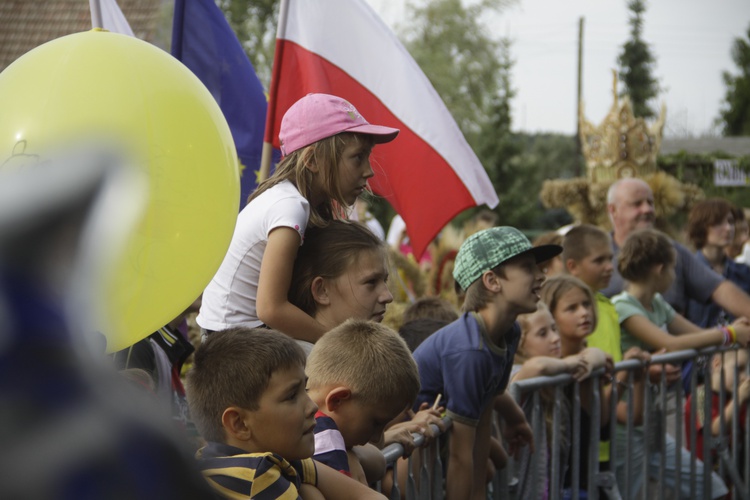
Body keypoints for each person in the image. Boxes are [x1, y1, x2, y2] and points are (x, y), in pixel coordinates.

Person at [197, 93, 399, 343]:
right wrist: (336, 345)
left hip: (247, 337)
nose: (368, 170)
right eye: (358, 157)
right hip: (235, 346)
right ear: (313, 160)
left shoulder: (294, 202)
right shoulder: (289, 207)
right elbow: (271, 309)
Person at [412, 226, 561, 500]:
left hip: (438, 447)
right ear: (492, 281)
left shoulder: (510, 331)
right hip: (413, 454)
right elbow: (460, 456)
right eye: (528, 268)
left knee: (497, 463)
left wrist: (478, 493)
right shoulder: (470, 349)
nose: (542, 275)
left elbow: (484, 414)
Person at [186, 326, 387, 499]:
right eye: (291, 396)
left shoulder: (212, 459)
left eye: (304, 390)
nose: (312, 407)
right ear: (239, 423)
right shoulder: (256, 478)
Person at [611, 228, 738, 499]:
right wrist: (732, 334)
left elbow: (695, 335)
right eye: (673, 268)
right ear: (660, 269)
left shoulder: (657, 303)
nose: (674, 276)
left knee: (709, 487)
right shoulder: (623, 307)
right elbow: (675, 344)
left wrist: (731, 331)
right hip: (626, 426)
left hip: (651, 422)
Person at [562, 225, 651, 481]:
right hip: (576, 443)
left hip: (604, 436)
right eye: (599, 260)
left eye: (610, 257)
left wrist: (632, 374)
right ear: (572, 265)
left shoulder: (608, 307)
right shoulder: (570, 316)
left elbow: (610, 388)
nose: (609, 266)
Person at [601, 178, 750, 321]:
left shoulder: (671, 250)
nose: (647, 209)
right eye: (637, 204)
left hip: (673, 345)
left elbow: (718, 288)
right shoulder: (598, 253)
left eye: (650, 203)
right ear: (613, 210)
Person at [305, 319, 421, 485]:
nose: (376, 437)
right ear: (337, 400)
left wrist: (351, 454)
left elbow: (378, 463)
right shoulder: (325, 441)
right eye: (376, 423)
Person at [510, 302, 598, 499]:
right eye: (543, 334)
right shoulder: (515, 374)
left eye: (554, 329)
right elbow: (536, 367)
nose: (556, 338)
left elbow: (599, 356)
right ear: (519, 343)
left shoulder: (557, 368)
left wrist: (585, 361)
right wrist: (569, 363)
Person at [540, 275, 617, 497]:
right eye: (571, 308)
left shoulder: (592, 360)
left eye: (586, 304)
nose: (584, 312)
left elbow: (600, 426)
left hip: (583, 479)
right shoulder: (550, 368)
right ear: (550, 317)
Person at [287, 219, 393, 353]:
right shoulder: (302, 368)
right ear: (322, 291)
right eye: (371, 282)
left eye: (385, 280)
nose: (388, 296)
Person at [685, 199, 750, 327]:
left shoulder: (744, 271)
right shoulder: (686, 273)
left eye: (731, 222)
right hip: (699, 344)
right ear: (701, 227)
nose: (728, 228)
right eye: (717, 223)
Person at [684, 348, 750, 464]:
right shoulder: (699, 395)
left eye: (745, 371)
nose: (744, 376)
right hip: (703, 475)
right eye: (739, 369)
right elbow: (714, 429)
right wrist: (740, 397)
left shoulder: (735, 396)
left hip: (733, 475)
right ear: (717, 364)